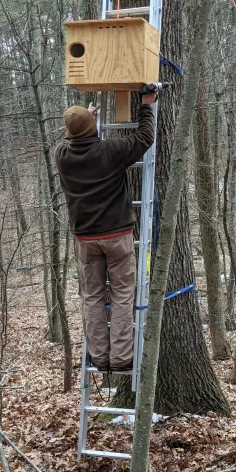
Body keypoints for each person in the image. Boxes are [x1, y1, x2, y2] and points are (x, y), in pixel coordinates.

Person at [55, 90, 158, 372]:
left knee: (92, 297)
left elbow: (70, 137)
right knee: (123, 295)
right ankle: (122, 357)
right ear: (91, 130)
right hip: (116, 237)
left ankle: (99, 358)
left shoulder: (62, 155)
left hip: (85, 239)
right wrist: (146, 106)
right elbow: (144, 138)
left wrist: (86, 120)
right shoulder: (109, 152)